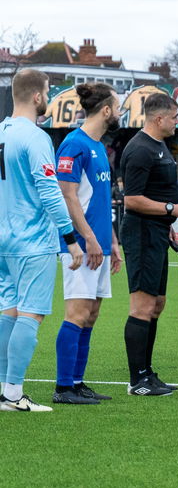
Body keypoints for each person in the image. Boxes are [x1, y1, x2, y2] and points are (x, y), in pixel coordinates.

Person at [0, 68, 84, 412]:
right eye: (48, 92)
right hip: (32, 240)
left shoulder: (2, 131)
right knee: (31, 314)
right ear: (37, 96)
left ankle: (4, 388)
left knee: (8, 311)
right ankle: (13, 393)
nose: (48, 98)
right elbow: (50, 192)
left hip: (4, 239)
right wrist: (70, 238)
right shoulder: (35, 138)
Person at [121, 91, 178, 395]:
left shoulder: (159, 146)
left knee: (157, 304)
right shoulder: (140, 149)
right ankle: (137, 380)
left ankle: (147, 372)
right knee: (142, 305)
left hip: (157, 232)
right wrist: (172, 210)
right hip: (141, 233)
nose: (177, 122)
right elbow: (132, 200)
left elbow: (154, 193)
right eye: (174, 117)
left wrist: (167, 225)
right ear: (159, 118)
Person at [53, 83, 123, 405]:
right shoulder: (73, 144)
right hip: (80, 248)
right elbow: (68, 197)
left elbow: (100, 200)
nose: (121, 112)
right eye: (118, 107)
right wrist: (90, 239)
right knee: (77, 313)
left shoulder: (98, 147)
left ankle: (77, 382)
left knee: (91, 314)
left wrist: (112, 241)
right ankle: (63, 388)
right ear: (106, 110)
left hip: (99, 245)